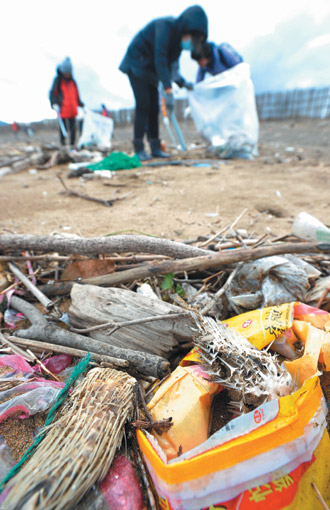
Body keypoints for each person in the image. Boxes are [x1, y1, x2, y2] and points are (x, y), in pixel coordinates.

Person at [119, 5, 208, 160]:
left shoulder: (177, 45)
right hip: (137, 64)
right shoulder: (165, 27)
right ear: (187, 30)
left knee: (154, 108)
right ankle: (139, 148)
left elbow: (172, 66)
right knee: (143, 105)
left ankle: (155, 147)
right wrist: (168, 89)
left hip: (150, 71)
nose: (190, 44)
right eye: (192, 40)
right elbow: (160, 59)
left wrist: (181, 82)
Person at [49, 57, 84, 146]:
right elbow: (53, 93)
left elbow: (76, 94)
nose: (68, 75)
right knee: (63, 128)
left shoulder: (73, 82)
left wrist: (80, 104)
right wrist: (54, 103)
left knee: (73, 128)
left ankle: (72, 144)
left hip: (72, 109)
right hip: (63, 109)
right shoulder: (58, 81)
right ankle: (63, 145)